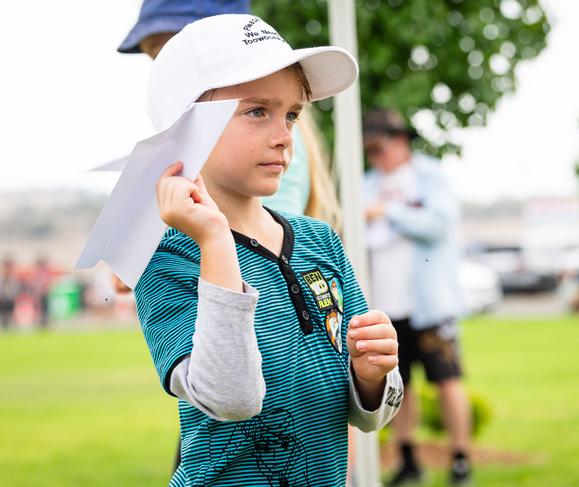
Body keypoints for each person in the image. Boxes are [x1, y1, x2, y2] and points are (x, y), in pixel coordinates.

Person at [131, 14, 403, 485]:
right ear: (186, 124)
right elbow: (231, 398)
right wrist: (215, 239)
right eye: (258, 111)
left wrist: (372, 372)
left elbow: (370, 417)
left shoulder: (321, 241)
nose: (284, 136)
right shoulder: (167, 257)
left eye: (292, 114)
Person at [363, 109, 472, 486]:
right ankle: (408, 460)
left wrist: (389, 213)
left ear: (400, 141)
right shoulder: (367, 182)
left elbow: (438, 225)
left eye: (380, 147)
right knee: (399, 387)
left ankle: (460, 460)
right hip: (385, 305)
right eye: (370, 150)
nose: (376, 156)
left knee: (448, 379)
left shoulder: (430, 177)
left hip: (430, 304)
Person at [0, 257, 21, 330]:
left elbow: (16, 289)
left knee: (10, 315)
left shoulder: (14, 279)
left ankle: (10, 327)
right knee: (3, 315)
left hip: (10, 299)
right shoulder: (2, 278)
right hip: (2, 300)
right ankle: (4, 327)